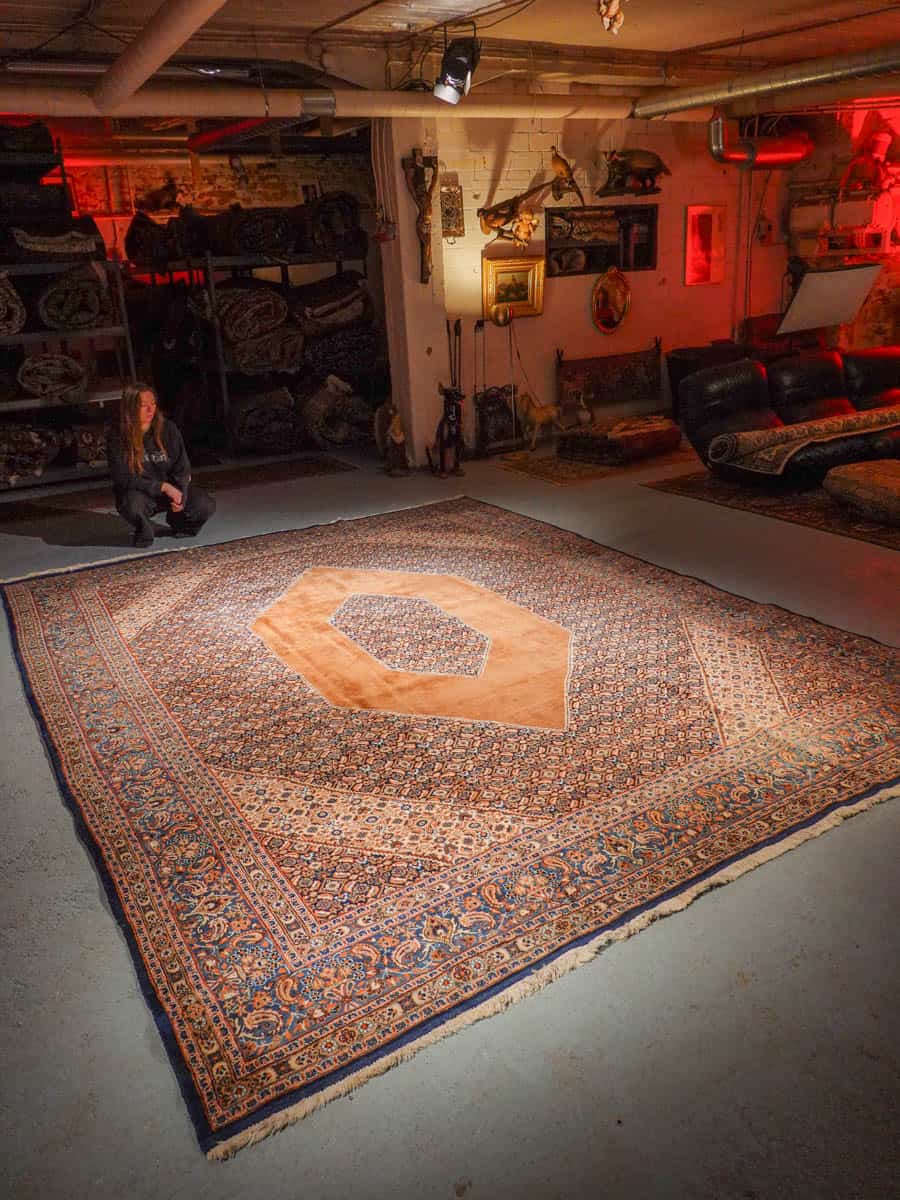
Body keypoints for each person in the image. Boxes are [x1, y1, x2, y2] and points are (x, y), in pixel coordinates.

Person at [107, 383, 215, 548]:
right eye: (144, 405)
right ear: (131, 408)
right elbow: (122, 478)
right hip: (141, 493)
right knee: (131, 504)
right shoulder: (118, 436)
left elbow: (182, 467)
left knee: (204, 504)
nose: (150, 409)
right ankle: (144, 529)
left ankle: (180, 524)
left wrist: (181, 493)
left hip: (171, 492)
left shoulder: (168, 429)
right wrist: (162, 487)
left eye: (153, 404)